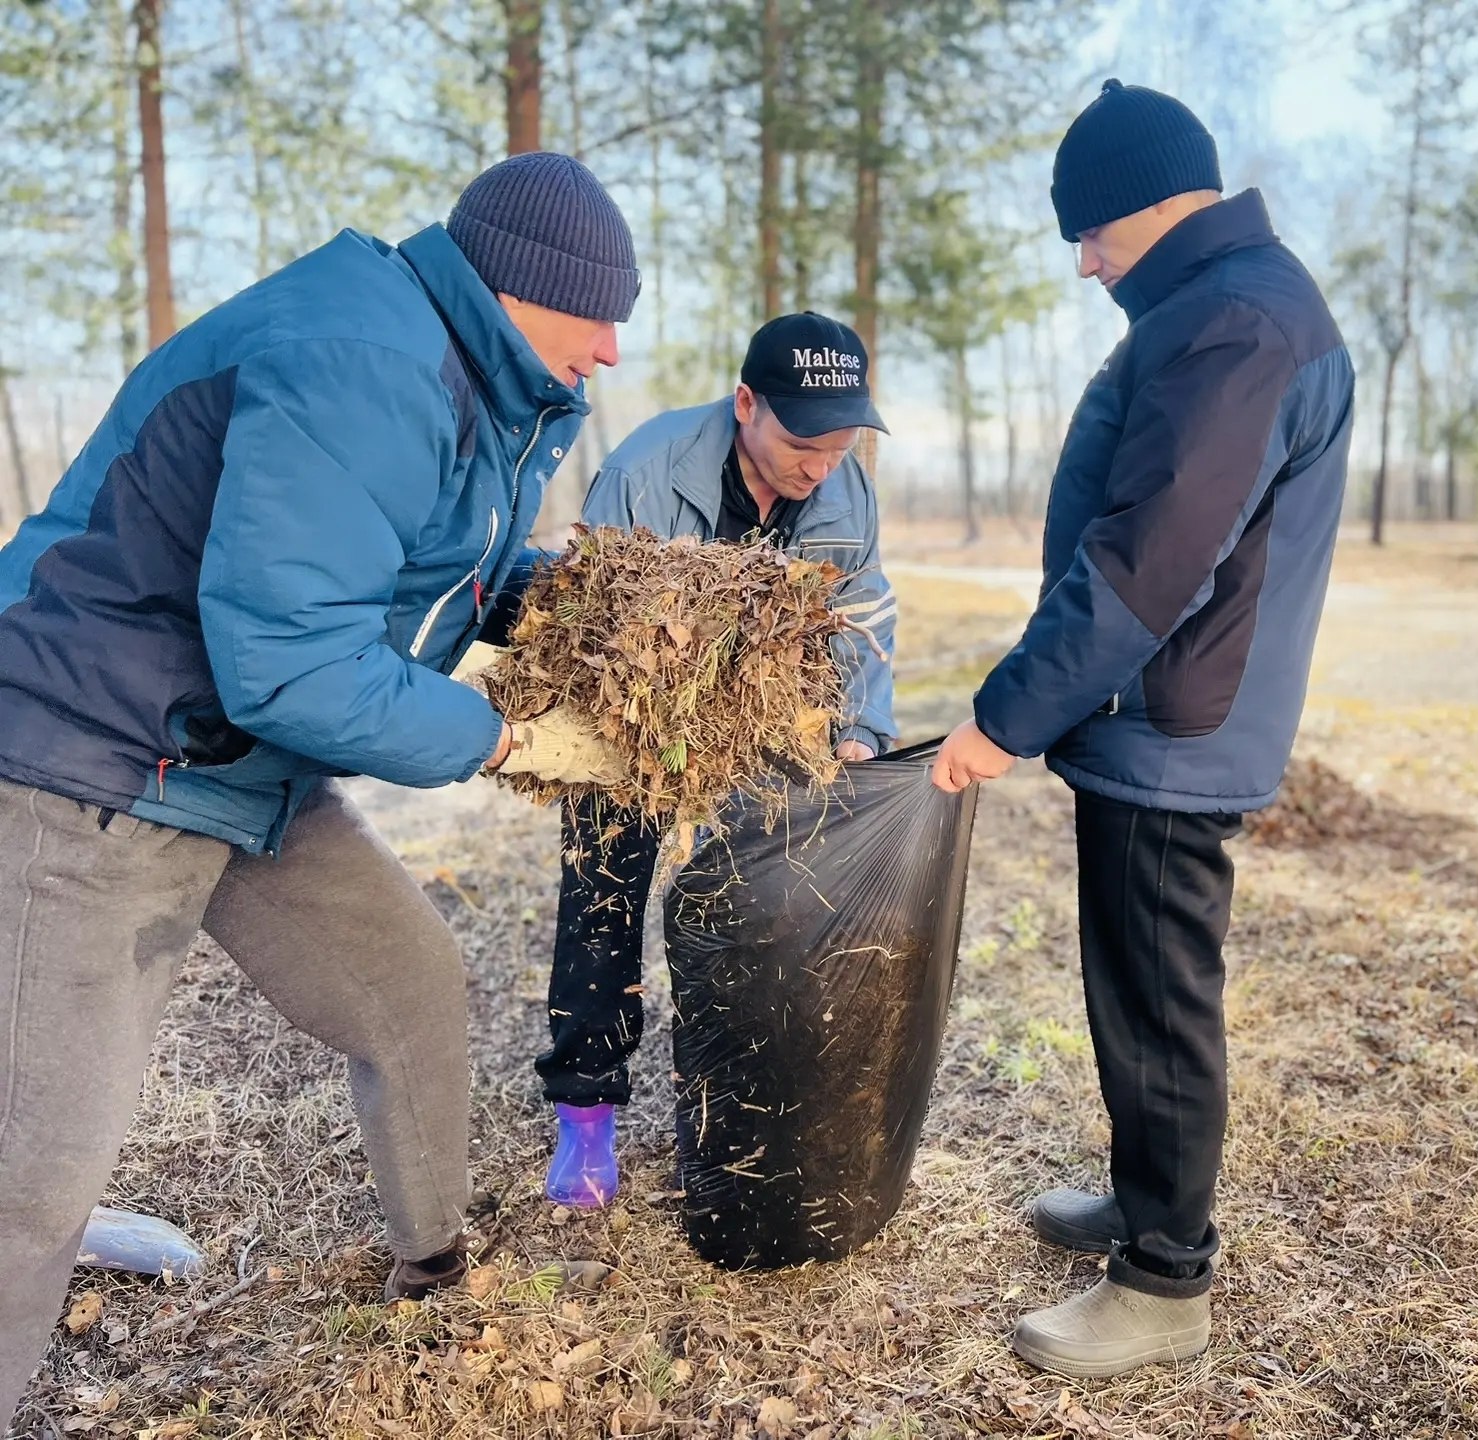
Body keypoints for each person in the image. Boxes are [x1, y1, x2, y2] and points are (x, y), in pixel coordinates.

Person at [0, 151, 638, 1426]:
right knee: (36, 1172)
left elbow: (418, 565)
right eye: (598, 316)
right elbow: (288, 665)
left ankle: (433, 1266)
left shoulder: (474, 376)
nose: (613, 351)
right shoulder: (368, 359)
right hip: (98, 764)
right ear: (520, 289)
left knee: (408, 991)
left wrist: (569, 606)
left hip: (239, 772)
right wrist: (505, 741)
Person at [931, 80, 1354, 1378]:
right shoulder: (1219, 303)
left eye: (1090, 227)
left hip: (1173, 731)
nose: (1081, 256)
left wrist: (1004, 717)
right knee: (1132, 994)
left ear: (1151, 201)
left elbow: (1147, 562)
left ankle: (1166, 1283)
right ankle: (1145, 1192)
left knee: (1162, 1006)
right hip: (1159, 724)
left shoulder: (1235, 321)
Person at [535, 310, 898, 1208]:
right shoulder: (647, 472)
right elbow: (594, 623)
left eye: (842, 441)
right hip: (636, 719)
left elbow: (866, 613)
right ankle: (586, 1114)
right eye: (805, 441)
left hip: (765, 722)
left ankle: (749, 1085)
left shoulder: (846, 489)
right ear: (746, 404)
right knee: (604, 892)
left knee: (766, 900)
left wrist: (859, 727)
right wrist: (639, 740)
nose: (822, 464)